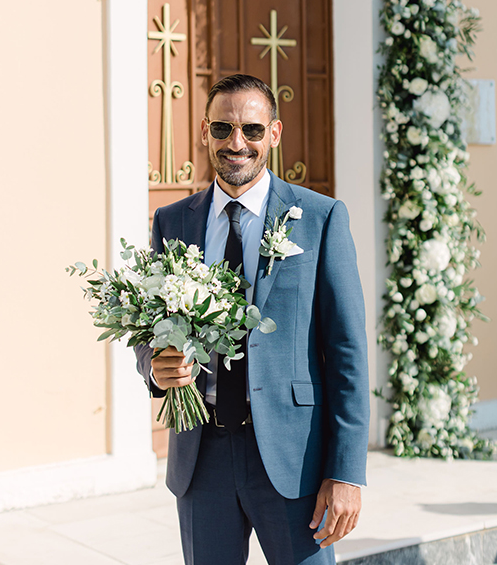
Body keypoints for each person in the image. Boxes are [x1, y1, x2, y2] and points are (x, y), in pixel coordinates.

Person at [135, 74, 369, 565]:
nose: (236, 143)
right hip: (202, 458)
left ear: (275, 134)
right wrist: (154, 366)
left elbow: (346, 350)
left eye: (252, 130)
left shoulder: (321, 217)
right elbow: (149, 325)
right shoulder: (171, 221)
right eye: (222, 129)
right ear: (204, 132)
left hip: (293, 458)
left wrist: (346, 471)